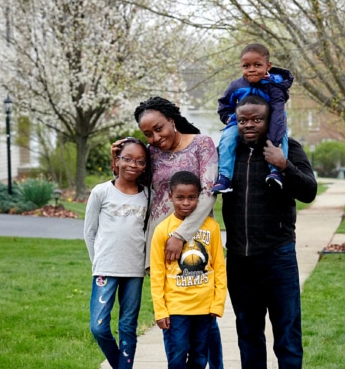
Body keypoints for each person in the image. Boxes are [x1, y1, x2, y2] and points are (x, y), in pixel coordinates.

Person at [112, 96, 224, 369]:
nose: (155, 137)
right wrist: (119, 154)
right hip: (160, 239)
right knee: (172, 317)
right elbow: (129, 175)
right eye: (147, 133)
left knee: (203, 317)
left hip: (196, 237)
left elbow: (209, 195)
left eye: (159, 128)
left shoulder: (202, 144)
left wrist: (181, 235)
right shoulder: (151, 153)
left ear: (172, 121)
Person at [221, 95, 317, 369]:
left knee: (287, 334)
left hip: (278, 257)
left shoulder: (288, 148)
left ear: (269, 120)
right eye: (242, 120)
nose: (248, 125)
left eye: (256, 119)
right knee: (248, 334)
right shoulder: (228, 153)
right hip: (239, 260)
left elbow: (309, 191)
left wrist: (285, 165)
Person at [84, 137, 151, 369]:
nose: (133, 165)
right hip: (105, 268)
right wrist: (98, 263)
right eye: (128, 159)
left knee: (127, 327)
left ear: (145, 166)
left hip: (134, 270)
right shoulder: (101, 191)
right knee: (99, 327)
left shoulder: (147, 195)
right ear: (117, 160)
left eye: (140, 161)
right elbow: (89, 233)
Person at [150, 171, 227, 369]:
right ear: (170, 197)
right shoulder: (162, 230)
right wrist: (160, 310)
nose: (186, 203)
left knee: (200, 357)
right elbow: (157, 275)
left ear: (199, 197)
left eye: (191, 198)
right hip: (176, 309)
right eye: (180, 198)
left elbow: (219, 267)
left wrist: (218, 304)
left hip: (205, 307)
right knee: (177, 356)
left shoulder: (211, 227)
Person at [211, 43, 293, 194]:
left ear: (268, 66)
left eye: (257, 65)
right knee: (227, 139)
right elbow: (224, 103)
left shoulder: (275, 86)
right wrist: (228, 118)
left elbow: (277, 113)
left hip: (271, 120)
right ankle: (224, 177)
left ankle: (275, 172)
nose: (252, 69)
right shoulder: (236, 85)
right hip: (240, 121)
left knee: (281, 139)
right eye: (246, 66)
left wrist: (274, 139)